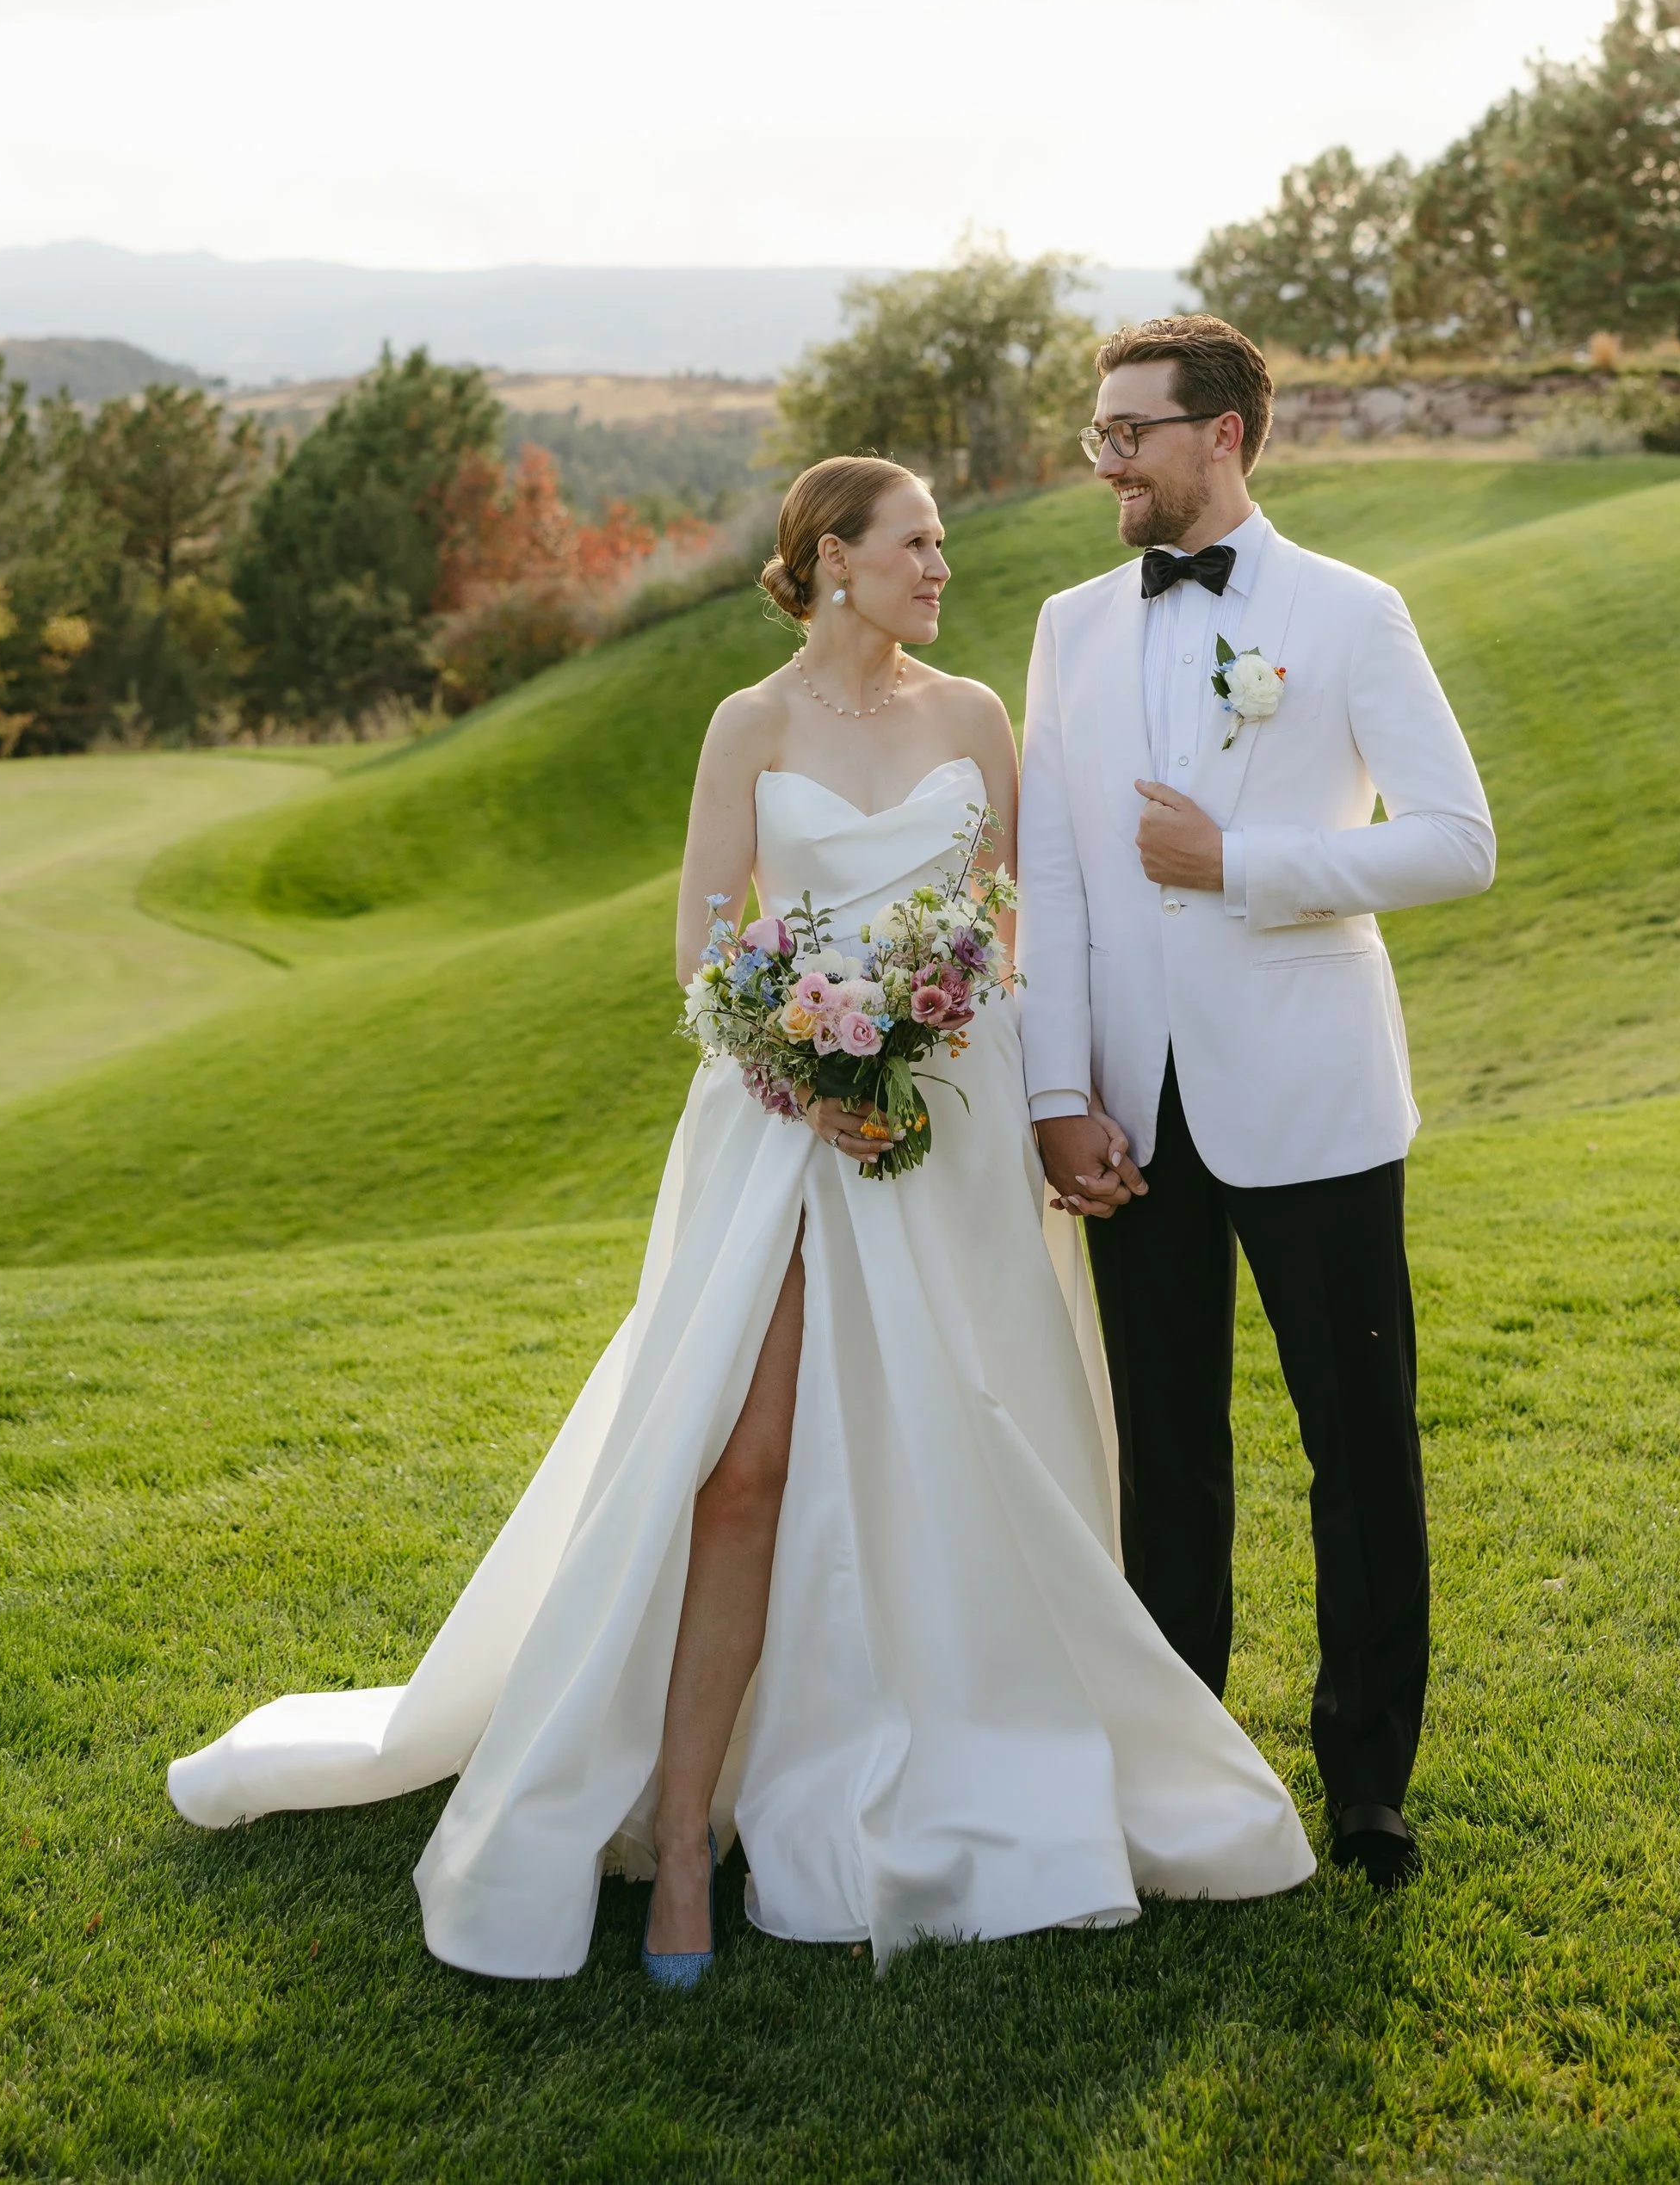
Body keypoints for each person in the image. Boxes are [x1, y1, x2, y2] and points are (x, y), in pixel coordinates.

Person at [169, 454, 1313, 1978]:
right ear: (831, 558)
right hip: (783, 1129)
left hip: (950, 1128)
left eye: (941, 545)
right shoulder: (749, 726)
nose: (939, 566)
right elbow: (708, 957)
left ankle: (965, 1762)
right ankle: (688, 1828)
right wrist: (812, 1064)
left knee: (962, 1446)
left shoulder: (976, 716)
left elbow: (1014, 930)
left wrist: (1038, 1091)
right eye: (916, 543)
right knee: (741, 1468)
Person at [1018, 317, 1495, 1892]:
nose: (1108, 461)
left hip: (1314, 1098)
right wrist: (1057, 1092)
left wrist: (1248, 868)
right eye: (1098, 433)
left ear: (1222, 435)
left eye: (1130, 433)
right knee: (1167, 1452)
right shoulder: (1072, 627)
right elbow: (1064, 881)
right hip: (1133, 1117)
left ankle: (1368, 1779)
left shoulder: (1352, 615)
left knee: (1357, 1440)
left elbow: (1454, 842)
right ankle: (1182, 1771)